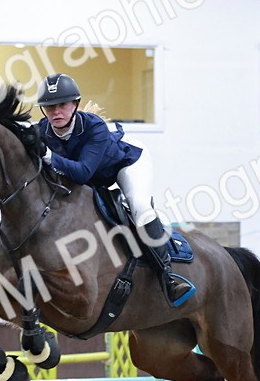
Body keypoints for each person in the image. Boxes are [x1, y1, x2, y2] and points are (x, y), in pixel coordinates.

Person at [33, 73, 195, 307]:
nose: (55, 112)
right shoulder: (42, 131)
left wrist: (48, 156)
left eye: (62, 105)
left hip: (126, 163)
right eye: (49, 107)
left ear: (75, 105)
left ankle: (168, 277)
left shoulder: (94, 127)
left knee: (140, 207)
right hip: (95, 178)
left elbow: (83, 173)